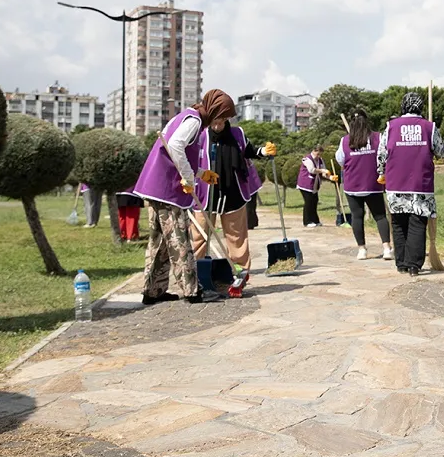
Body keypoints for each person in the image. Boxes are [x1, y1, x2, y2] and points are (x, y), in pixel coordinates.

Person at [133, 89, 235, 305]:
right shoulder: (195, 121)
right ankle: (192, 291)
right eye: (223, 116)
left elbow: (178, 151)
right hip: (167, 189)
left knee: (160, 242)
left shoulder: (188, 116)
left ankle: (152, 291)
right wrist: (189, 178)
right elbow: (176, 146)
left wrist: (200, 174)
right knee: (180, 239)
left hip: (156, 186)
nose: (223, 121)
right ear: (215, 110)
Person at [190, 120, 276, 279]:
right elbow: (188, 157)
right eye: (214, 120)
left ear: (226, 119)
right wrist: (186, 178)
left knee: (236, 236)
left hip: (233, 193)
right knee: (199, 235)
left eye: (220, 121)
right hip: (205, 193)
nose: (217, 125)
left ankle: (240, 271)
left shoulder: (237, 134)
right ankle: (195, 271)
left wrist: (264, 151)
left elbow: (249, 151)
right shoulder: (199, 134)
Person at [377, 92, 444, 276]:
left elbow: (381, 155)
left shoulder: (390, 126)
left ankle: (401, 263)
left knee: (399, 223)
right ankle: (414, 265)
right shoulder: (429, 127)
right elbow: (442, 151)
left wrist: (380, 173)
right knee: (418, 223)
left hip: (395, 184)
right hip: (421, 184)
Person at [335, 108, 393, 261]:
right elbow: (385, 156)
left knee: (357, 217)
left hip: (352, 185)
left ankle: (362, 249)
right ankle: (387, 248)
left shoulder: (345, 140)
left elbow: (340, 160)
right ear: (366, 121)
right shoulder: (377, 137)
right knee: (380, 216)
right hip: (373, 183)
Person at [297, 146, 335, 228]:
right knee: (308, 202)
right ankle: (307, 221)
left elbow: (324, 172)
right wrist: (322, 170)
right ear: (314, 151)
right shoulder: (307, 159)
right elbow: (312, 170)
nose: (319, 156)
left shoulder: (320, 160)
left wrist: (331, 177)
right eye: (318, 154)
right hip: (305, 184)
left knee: (314, 201)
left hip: (314, 185)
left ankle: (315, 220)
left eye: (320, 154)